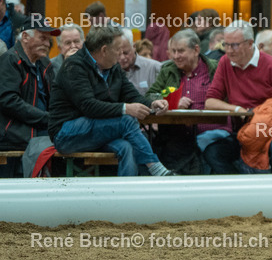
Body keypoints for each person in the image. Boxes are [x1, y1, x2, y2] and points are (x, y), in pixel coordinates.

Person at [48, 24, 175, 177]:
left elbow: (131, 95)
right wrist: (126, 108)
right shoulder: (74, 65)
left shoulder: (112, 66)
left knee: (126, 147)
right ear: (104, 50)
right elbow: (88, 106)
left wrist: (152, 104)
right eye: (117, 50)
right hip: (66, 134)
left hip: (96, 129)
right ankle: (157, 169)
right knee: (126, 120)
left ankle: (125, 193)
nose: (120, 55)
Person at [202, 21, 272, 173]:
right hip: (244, 131)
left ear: (250, 43)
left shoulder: (271, 65)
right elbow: (210, 102)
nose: (229, 50)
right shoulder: (225, 62)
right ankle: (241, 190)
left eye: (234, 45)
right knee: (213, 152)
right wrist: (237, 109)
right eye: (225, 44)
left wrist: (264, 116)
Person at [147, 29, 218, 175]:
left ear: (196, 50)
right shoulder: (168, 70)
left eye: (180, 51)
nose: (175, 56)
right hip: (176, 134)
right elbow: (150, 96)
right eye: (173, 51)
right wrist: (171, 102)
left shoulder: (215, 69)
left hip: (211, 130)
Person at [0, 15, 59, 173]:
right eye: (42, 38)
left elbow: (55, 100)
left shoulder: (45, 64)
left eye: (48, 40)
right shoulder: (11, 60)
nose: (47, 44)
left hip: (41, 130)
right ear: (25, 36)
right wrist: (46, 118)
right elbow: (8, 101)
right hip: (13, 135)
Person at [118, 28, 162, 95]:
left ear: (134, 47)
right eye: (118, 54)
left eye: (126, 53)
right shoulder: (109, 70)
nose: (122, 58)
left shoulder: (154, 67)